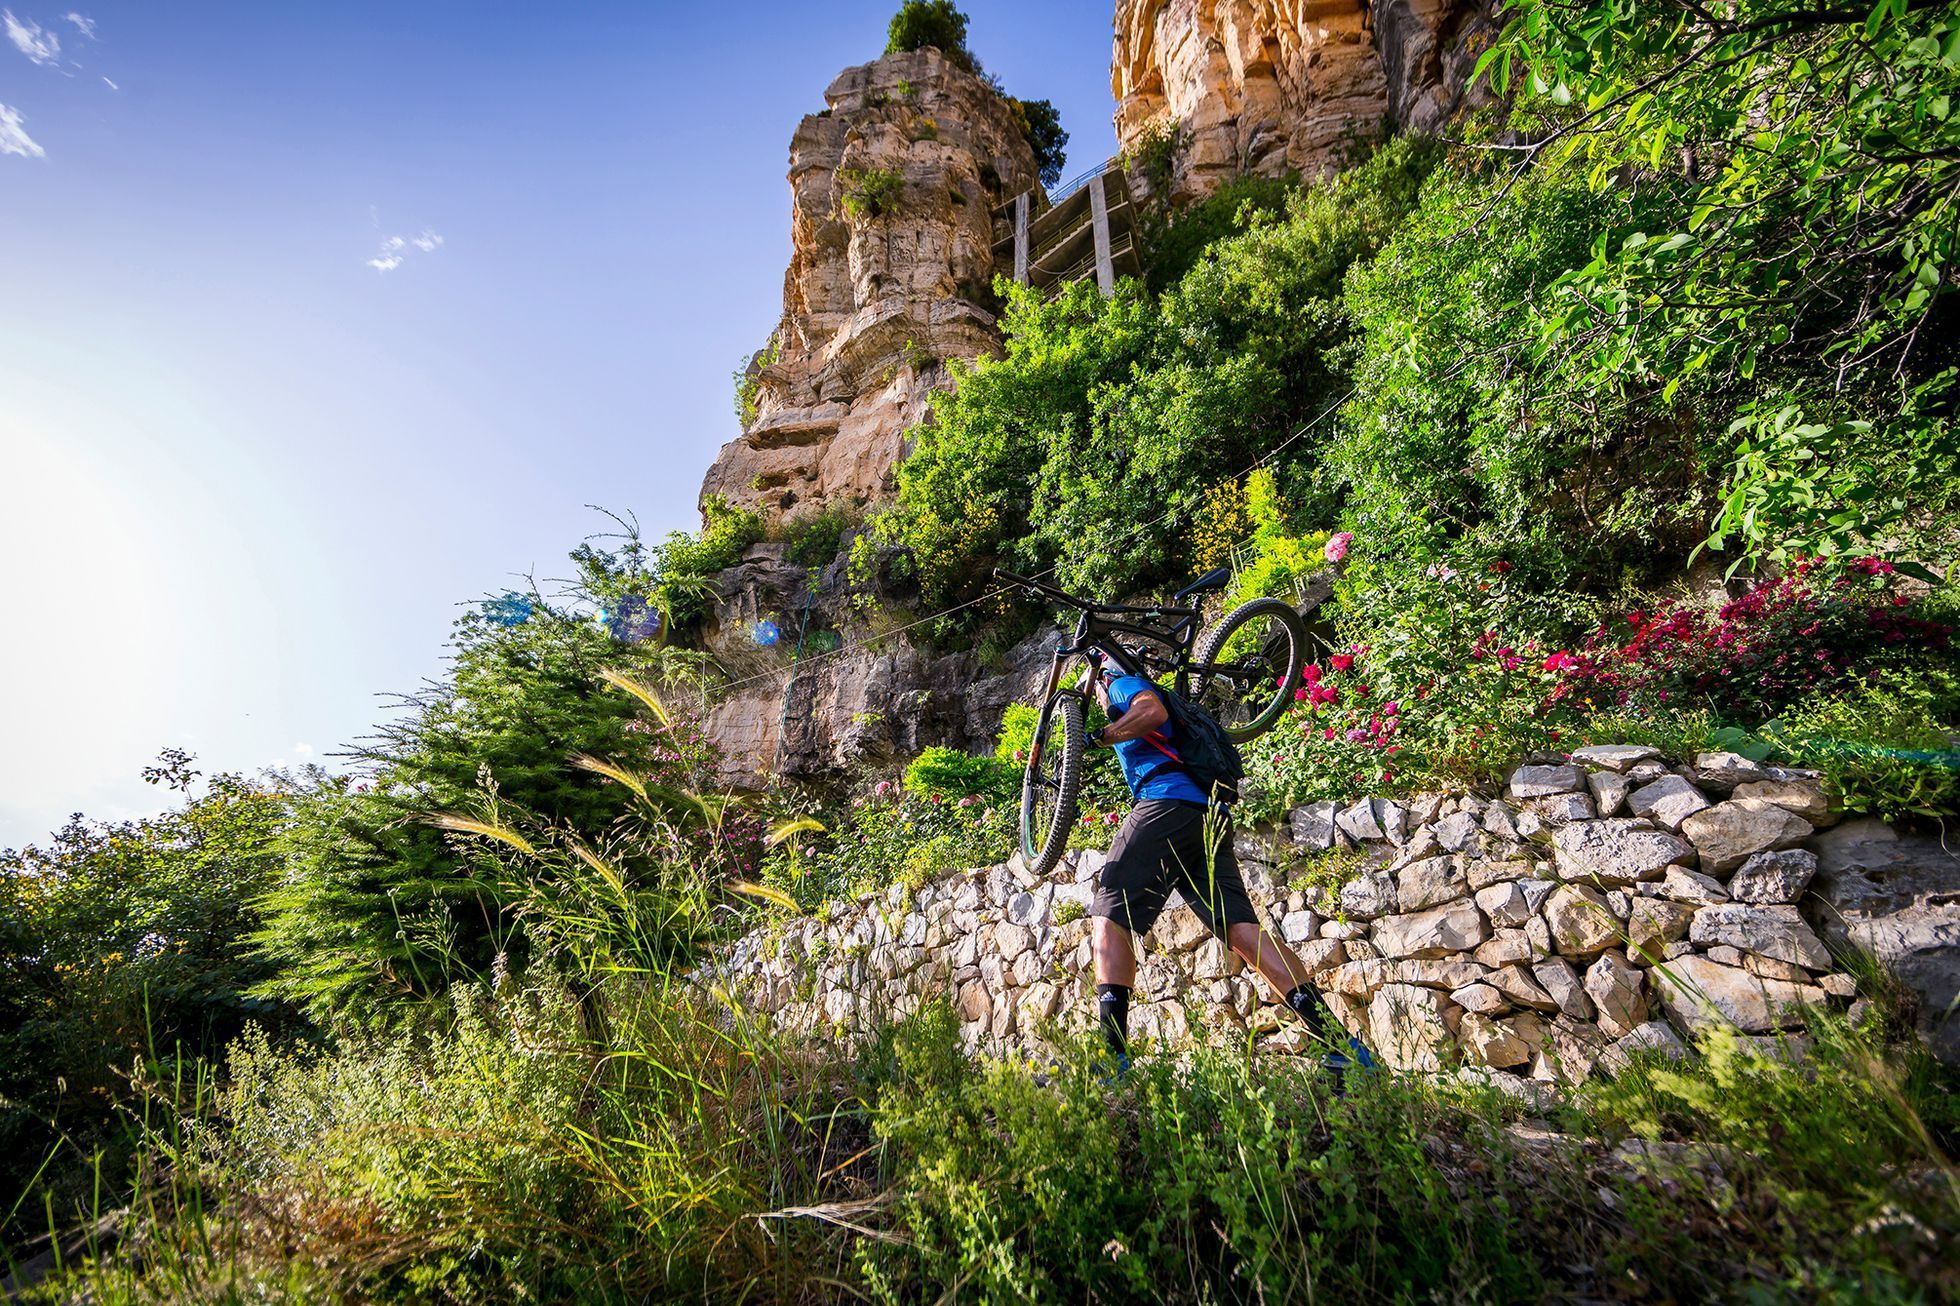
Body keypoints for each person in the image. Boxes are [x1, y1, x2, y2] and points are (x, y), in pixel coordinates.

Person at [1084, 665, 1373, 1077]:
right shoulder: (1135, 696)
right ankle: (1341, 1045)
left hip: (1164, 805)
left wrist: (1102, 735)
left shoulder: (1122, 685)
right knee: (1242, 931)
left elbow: (1151, 712)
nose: (1092, 695)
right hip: (1207, 816)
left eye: (1090, 684)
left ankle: (1111, 1060)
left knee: (1109, 916)